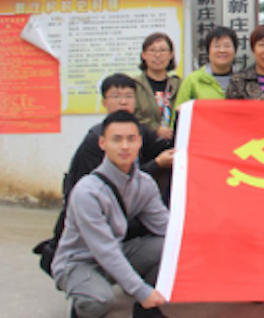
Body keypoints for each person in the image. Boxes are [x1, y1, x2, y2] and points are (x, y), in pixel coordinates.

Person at [53, 111, 169, 318]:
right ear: (102, 143)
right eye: (117, 139)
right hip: (80, 261)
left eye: (131, 139)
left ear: (140, 142)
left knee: (167, 247)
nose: (125, 146)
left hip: (117, 251)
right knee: (99, 300)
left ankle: (145, 311)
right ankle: (81, 307)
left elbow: (166, 227)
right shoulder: (87, 192)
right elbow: (104, 249)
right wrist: (141, 291)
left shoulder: (144, 184)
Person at [63, 74, 174, 203]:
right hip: (94, 203)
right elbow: (113, 181)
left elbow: (162, 148)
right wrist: (157, 164)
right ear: (104, 102)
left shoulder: (141, 130)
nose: (123, 102)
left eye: (129, 96)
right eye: (116, 96)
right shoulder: (95, 138)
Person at [174, 26, 237, 115]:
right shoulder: (193, 80)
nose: (222, 50)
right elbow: (179, 115)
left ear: (234, 50)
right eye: (216, 46)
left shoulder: (243, 80)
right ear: (208, 50)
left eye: (227, 46)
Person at [134, 32, 181, 142]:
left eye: (162, 50)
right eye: (152, 50)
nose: (158, 55)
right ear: (143, 55)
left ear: (171, 55)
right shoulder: (135, 85)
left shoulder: (179, 84)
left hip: (175, 143)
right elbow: (133, 115)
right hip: (144, 143)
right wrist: (156, 129)